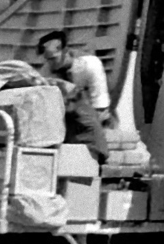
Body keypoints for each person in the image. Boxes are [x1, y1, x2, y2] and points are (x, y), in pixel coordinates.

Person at [37, 30, 111, 163]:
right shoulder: (46, 72)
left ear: (65, 51)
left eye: (53, 58)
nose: (50, 63)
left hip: (89, 120)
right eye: (47, 59)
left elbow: (101, 107)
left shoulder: (90, 66)